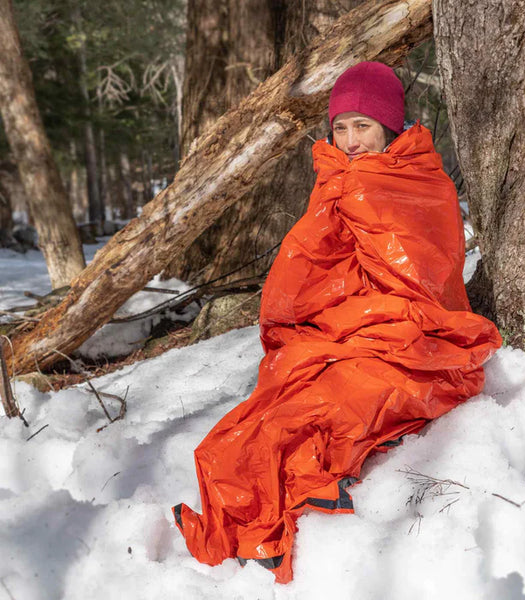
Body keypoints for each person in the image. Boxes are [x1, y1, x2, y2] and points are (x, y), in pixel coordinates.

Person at [173, 62, 502, 584]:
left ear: (389, 128)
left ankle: (275, 523)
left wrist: (358, 201)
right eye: (340, 127)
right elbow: (310, 270)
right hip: (342, 332)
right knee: (244, 433)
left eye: (363, 126)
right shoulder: (338, 181)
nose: (349, 140)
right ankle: (254, 530)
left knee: (320, 415)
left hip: (413, 335)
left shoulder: (419, 182)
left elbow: (422, 277)